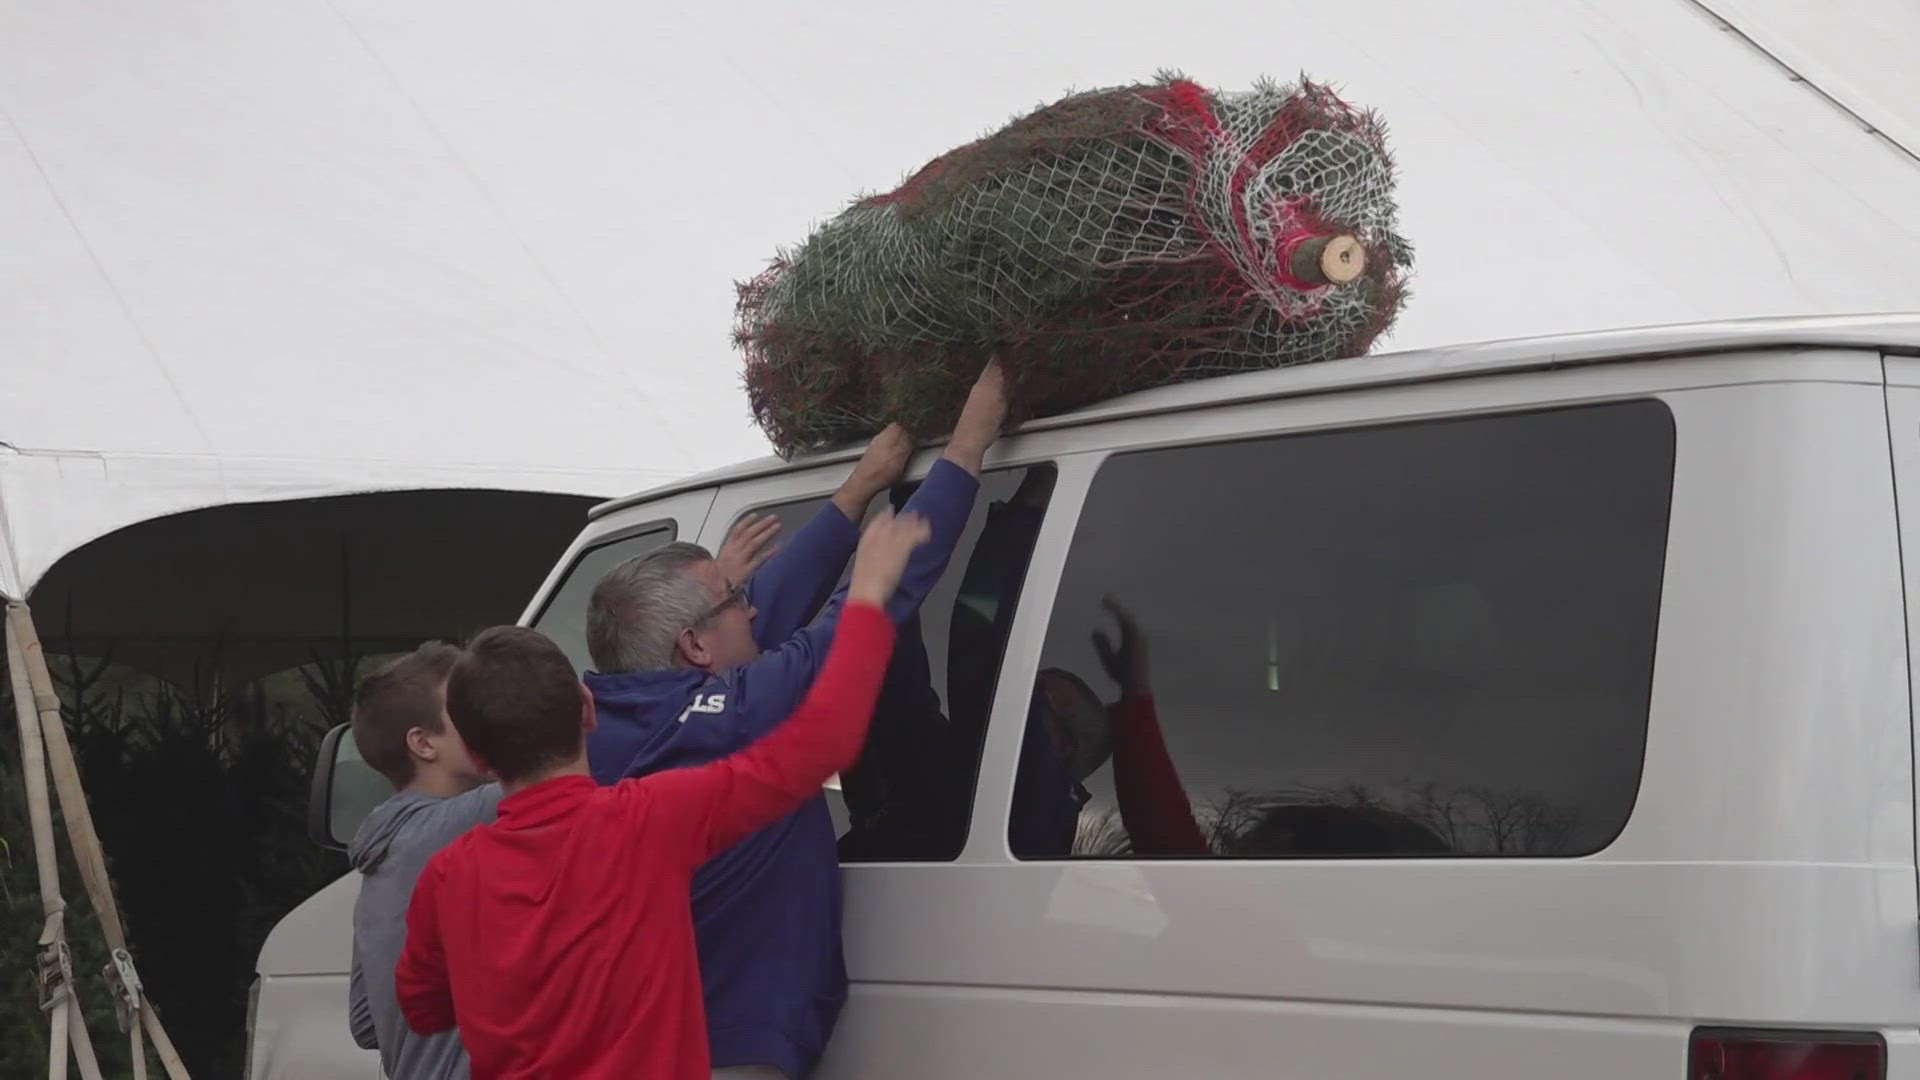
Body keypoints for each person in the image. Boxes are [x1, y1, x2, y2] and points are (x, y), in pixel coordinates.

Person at [394, 510, 931, 1080]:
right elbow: (823, 741)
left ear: (477, 759)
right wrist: (868, 597)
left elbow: (425, 1009)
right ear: (588, 710)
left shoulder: (448, 877)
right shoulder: (649, 820)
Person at [580, 363, 1007, 1079]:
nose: (752, 605)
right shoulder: (734, 719)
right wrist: (965, 452)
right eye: (732, 595)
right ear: (692, 647)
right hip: (731, 1054)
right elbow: (852, 619)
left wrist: (855, 494)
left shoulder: (609, 720)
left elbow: (747, 635)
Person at [345, 642, 498, 1080]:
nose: (490, 719)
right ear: (423, 743)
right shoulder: (463, 819)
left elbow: (366, 1022)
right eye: (468, 710)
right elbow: (554, 770)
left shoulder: (383, 855)